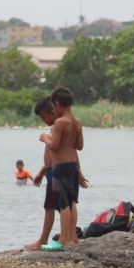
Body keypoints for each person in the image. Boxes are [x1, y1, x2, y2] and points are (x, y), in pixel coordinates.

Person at [26, 96, 88, 251]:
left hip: (57, 170)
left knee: (58, 205)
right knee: (62, 204)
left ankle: (58, 239)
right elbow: (66, 153)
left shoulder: (59, 126)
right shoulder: (62, 126)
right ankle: (70, 236)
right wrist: (42, 171)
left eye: (45, 116)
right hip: (53, 170)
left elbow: (67, 150)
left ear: (54, 110)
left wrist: (43, 139)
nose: (44, 120)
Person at [38, 87, 83, 250]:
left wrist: (44, 139)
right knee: (71, 203)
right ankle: (73, 237)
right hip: (72, 166)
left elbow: (54, 146)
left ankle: (63, 240)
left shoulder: (59, 123)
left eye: (53, 106)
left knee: (63, 204)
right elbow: (79, 145)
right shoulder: (77, 122)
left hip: (60, 167)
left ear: (57, 104)